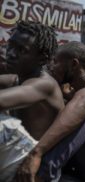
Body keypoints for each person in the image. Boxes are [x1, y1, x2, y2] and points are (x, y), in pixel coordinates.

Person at [18, 41, 85, 181]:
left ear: (73, 64)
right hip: (79, 158)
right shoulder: (68, 89)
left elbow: (84, 104)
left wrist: (37, 152)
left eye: (56, 62)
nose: (52, 66)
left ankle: (41, 176)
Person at [0, 20, 65, 181]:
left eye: (21, 50)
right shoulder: (17, 78)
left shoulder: (45, 84)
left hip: (35, 167)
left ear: (42, 59)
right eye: (11, 46)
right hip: (15, 158)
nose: (11, 53)